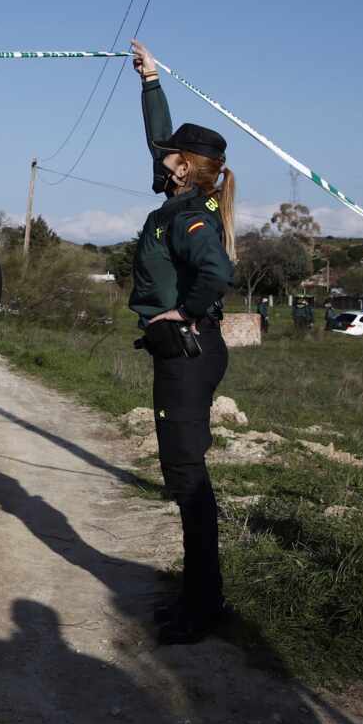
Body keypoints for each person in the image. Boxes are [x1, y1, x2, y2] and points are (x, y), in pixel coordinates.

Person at [129, 40, 237, 644]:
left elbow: (217, 274)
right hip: (181, 353)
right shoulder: (177, 198)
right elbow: (157, 135)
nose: (162, 155)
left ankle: (205, 605)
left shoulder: (191, 215)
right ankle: (199, 595)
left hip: (190, 354)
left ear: (187, 166)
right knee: (181, 471)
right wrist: (150, 81)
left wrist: (184, 315)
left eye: (172, 155)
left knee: (187, 474)